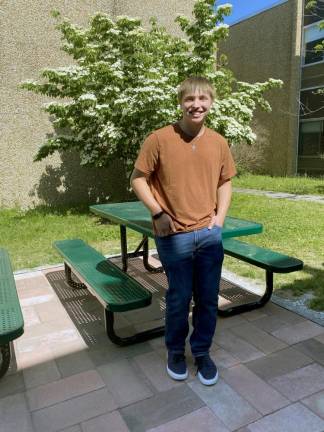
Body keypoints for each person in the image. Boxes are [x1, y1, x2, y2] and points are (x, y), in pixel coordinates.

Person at [130, 76, 236, 386]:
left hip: (208, 233)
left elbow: (225, 181)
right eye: (190, 99)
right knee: (179, 297)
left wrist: (220, 220)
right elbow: (138, 179)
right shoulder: (159, 139)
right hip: (173, 237)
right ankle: (175, 351)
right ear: (181, 102)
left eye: (203, 99)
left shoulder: (218, 141)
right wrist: (158, 212)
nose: (196, 105)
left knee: (207, 298)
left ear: (211, 103)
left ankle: (201, 352)